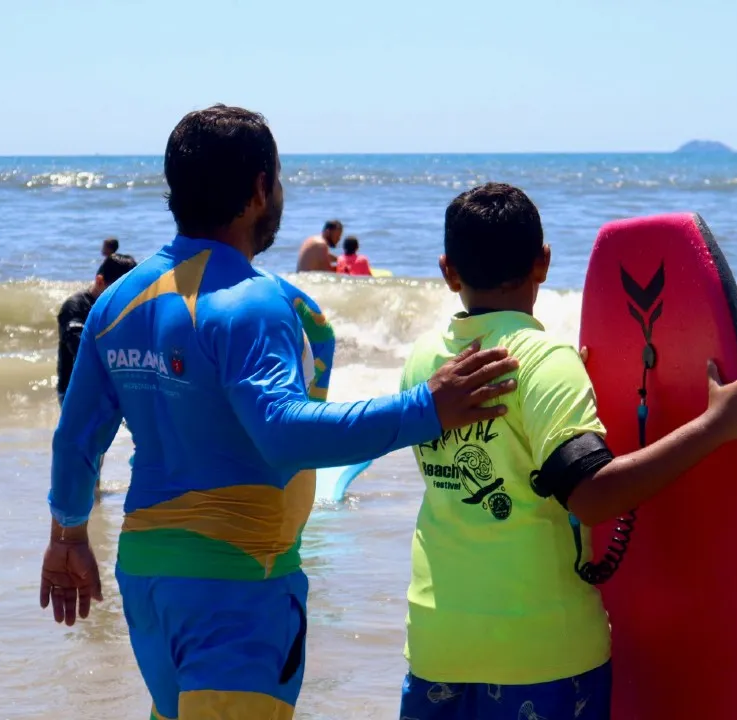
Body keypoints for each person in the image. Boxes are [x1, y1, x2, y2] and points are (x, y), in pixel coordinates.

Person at [39, 105, 520, 720]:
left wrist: (69, 537)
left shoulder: (118, 303)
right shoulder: (252, 301)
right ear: (259, 188)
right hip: (238, 579)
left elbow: (76, 441)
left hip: (148, 577)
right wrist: (427, 407)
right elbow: (285, 434)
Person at [396, 182, 737, 720]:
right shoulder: (544, 361)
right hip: (540, 650)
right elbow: (592, 498)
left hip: (438, 642)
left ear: (448, 270)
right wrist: (717, 424)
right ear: (543, 262)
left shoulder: (423, 362)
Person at [57, 253, 138, 405]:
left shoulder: (123, 308)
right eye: (117, 290)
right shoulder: (75, 307)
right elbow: (79, 347)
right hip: (76, 392)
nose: (123, 297)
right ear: (100, 281)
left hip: (113, 391)